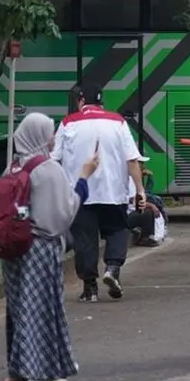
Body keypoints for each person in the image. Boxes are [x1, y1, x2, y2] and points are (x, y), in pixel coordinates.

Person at [0, 113, 95, 381]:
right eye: (50, 132)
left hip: (12, 249)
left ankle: (51, 368)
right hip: (40, 247)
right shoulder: (48, 169)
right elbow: (63, 215)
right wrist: (83, 180)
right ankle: (22, 375)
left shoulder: (13, 167)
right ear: (40, 136)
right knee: (40, 308)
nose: (53, 137)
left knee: (20, 308)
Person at [53, 83, 145, 302]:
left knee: (84, 238)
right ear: (101, 102)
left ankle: (90, 288)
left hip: (80, 193)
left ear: (81, 101)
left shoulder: (68, 123)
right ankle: (112, 268)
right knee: (117, 230)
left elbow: (54, 159)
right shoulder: (118, 122)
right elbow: (132, 160)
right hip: (114, 192)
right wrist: (140, 190)